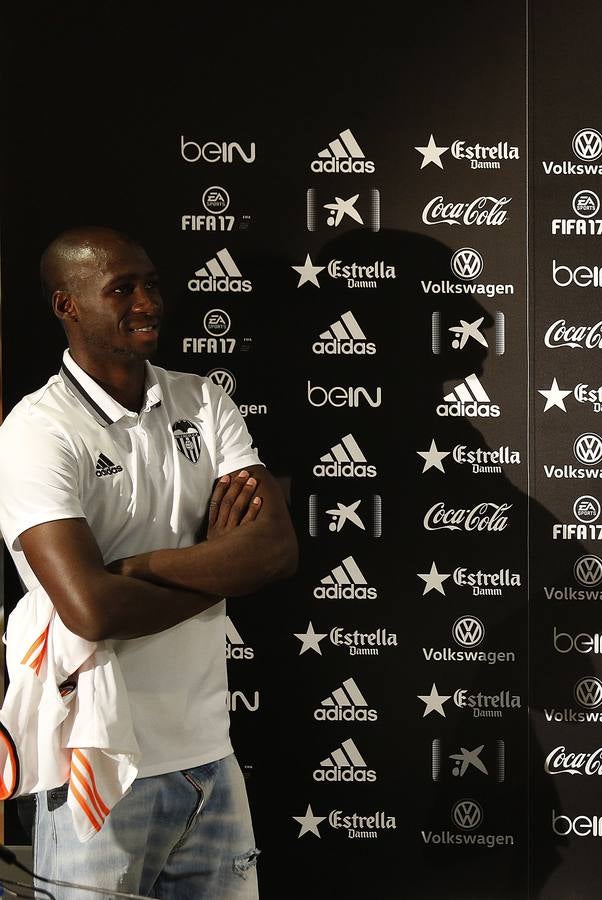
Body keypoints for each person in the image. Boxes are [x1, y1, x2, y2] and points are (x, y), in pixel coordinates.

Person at [0, 227, 297, 898]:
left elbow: (276, 551)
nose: (147, 303)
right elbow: (91, 610)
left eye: (152, 285)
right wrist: (218, 565)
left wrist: (130, 573)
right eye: (122, 289)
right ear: (66, 305)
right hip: (96, 763)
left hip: (210, 756)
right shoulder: (36, 431)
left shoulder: (203, 399)